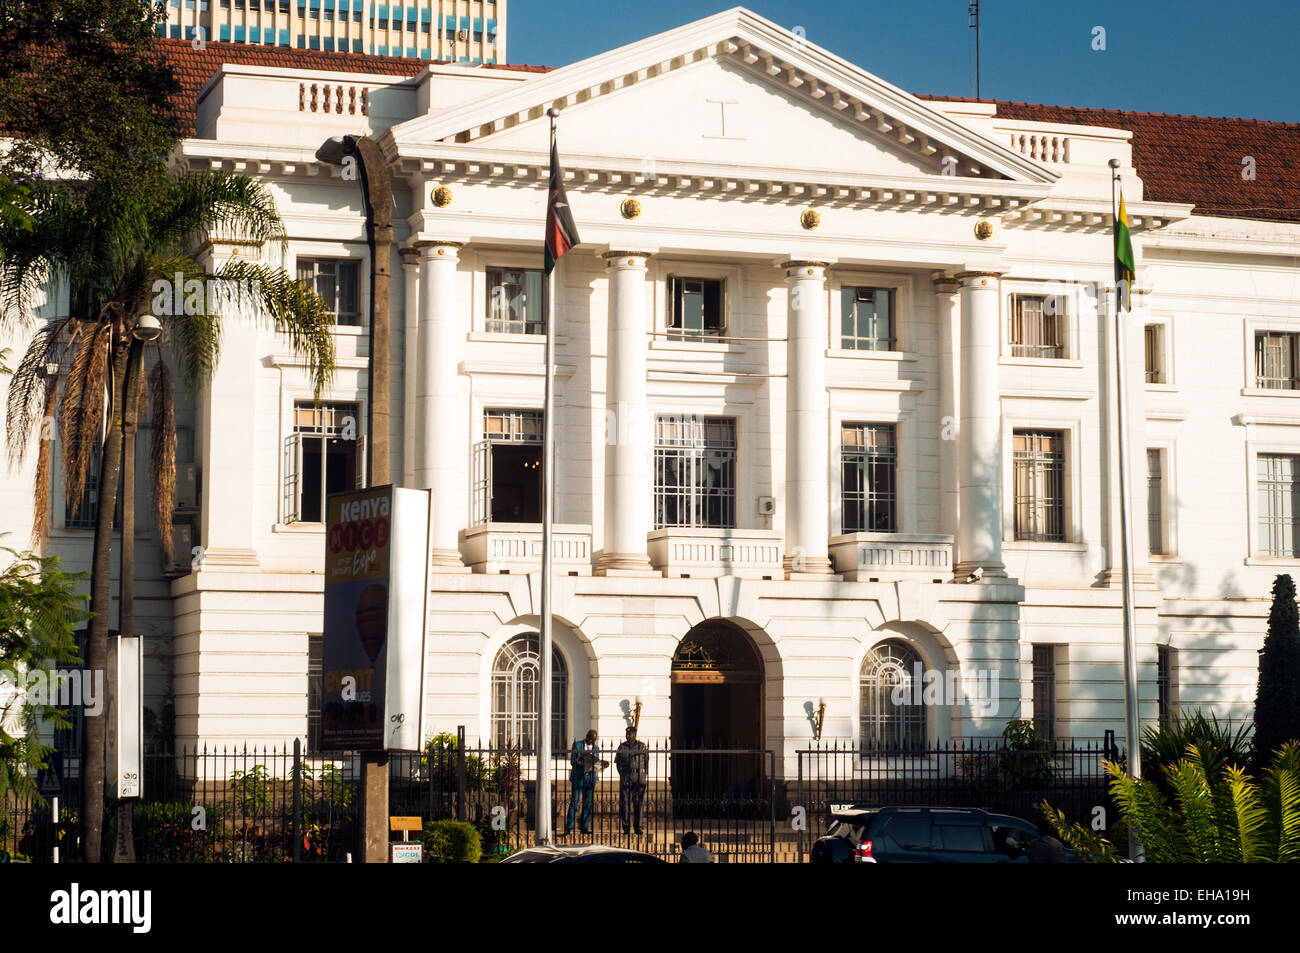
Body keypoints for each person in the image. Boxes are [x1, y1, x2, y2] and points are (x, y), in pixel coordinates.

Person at [565, 729, 607, 835]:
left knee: (588, 803)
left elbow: (596, 762)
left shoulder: (596, 748)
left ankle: (584, 827)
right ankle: (569, 827)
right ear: (587, 736)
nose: (591, 742)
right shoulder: (577, 745)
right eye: (590, 739)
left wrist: (602, 765)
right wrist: (581, 760)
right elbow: (572, 761)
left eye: (593, 740)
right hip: (578, 777)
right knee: (575, 801)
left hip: (590, 777)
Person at [615, 726, 649, 835]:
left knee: (639, 803)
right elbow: (618, 763)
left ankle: (638, 827)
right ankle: (626, 828)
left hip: (639, 776)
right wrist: (622, 774)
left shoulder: (642, 746)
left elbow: (647, 761)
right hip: (626, 775)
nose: (627, 735)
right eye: (626, 734)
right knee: (625, 803)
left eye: (629, 734)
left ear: (634, 734)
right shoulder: (622, 746)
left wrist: (644, 774)